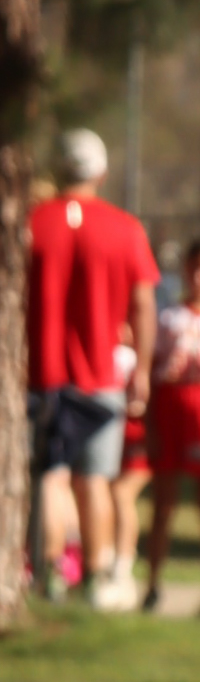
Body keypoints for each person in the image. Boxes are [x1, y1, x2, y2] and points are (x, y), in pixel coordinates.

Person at [26, 128, 157, 610]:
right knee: (95, 479)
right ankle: (97, 577)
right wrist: (142, 370)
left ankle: (50, 577)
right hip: (101, 378)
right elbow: (143, 304)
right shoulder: (126, 228)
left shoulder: (31, 222)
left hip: (38, 374)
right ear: (101, 173)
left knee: (51, 476)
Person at [143, 235, 200, 612]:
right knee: (164, 505)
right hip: (170, 412)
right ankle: (152, 584)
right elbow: (152, 371)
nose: (197, 277)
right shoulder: (168, 318)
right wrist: (151, 426)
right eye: (193, 268)